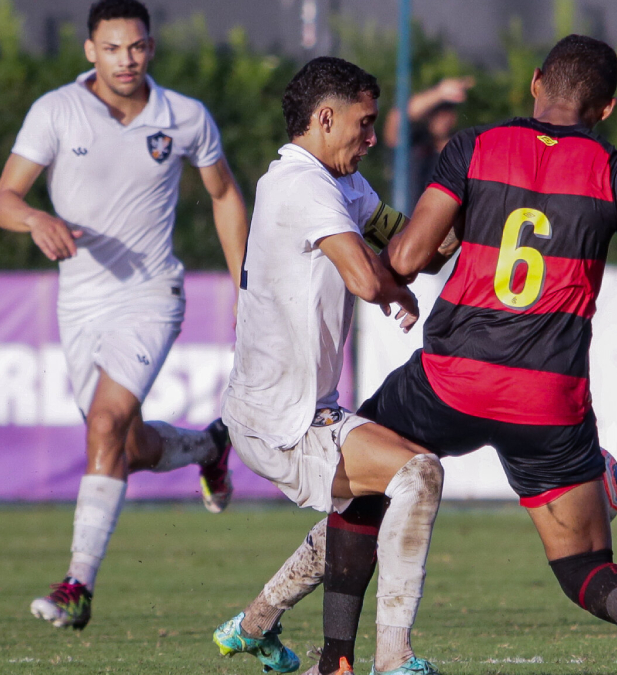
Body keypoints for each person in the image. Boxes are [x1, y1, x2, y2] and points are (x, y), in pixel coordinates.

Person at [249, 34, 617, 675]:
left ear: (534, 83)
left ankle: (338, 658)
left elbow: (409, 258)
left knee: (364, 482)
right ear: (605, 109)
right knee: (583, 564)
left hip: (451, 379)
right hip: (547, 401)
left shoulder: (474, 146)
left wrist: (426, 251)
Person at [0, 0, 248, 630]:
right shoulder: (56, 110)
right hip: (79, 302)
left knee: (103, 424)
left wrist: (247, 286)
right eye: (112, 48)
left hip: (151, 295)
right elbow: (3, 199)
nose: (125, 60)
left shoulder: (185, 117)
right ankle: (208, 446)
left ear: (150, 48)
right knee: (122, 446)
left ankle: (78, 585)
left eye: (135, 47)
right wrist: (36, 219)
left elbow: (223, 195)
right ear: (90, 52)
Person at [211, 56, 445, 675]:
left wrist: (468, 225)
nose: (372, 137)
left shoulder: (341, 181)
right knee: (417, 475)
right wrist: (392, 285)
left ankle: (256, 625)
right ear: (325, 118)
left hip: (304, 410)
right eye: (364, 124)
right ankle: (392, 659)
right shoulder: (299, 185)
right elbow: (367, 275)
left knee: (364, 507)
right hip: (277, 421)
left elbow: (400, 241)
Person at [384, 77, 475, 209]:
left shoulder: (464, 152)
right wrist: (440, 93)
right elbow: (397, 118)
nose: (442, 118)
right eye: (436, 112)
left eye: (447, 112)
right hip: (410, 223)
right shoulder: (414, 146)